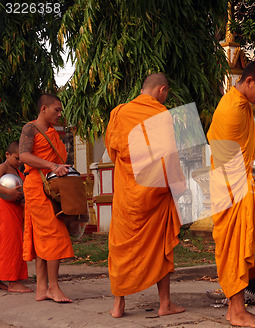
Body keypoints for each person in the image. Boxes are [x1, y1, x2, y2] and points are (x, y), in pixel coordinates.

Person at [105, 73, 185, 318]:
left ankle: (119, 305)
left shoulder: (119, 113)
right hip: (155, 193)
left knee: (120, 248)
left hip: (127, 193)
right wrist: (178, 185)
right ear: (161, 90)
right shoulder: (161, 116)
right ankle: (164, 304)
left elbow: (112, 151)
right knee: (160, 246)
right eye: (166, 94)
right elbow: (169, 155)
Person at [207, 60, 255, 328]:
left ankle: (237, 309)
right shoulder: (234, 108)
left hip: (235, 184)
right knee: (235, 248)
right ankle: (236, 312)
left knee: (238, 247)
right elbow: (228, 157)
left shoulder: (239, 103)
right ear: (248, 82)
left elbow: (238, 142)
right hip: (231, 188)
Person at [20, 94, 73, 302]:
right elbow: (24, 156)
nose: (60, 114)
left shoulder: (53, 133)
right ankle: (53, 286)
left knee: (42, 236)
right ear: (43, 109)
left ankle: (42, 288)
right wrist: (52, 166)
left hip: (52, 186)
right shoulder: (30, 128)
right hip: (36, 185)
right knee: (54, 233)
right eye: (56, 110)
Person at [0, 142, 32, 293]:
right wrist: (9, 192)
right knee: (11, 244)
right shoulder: (3, 167)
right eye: (16, 158)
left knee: (11, 243)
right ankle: (13, 282)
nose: (19, 161)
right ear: (7, 155)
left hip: (16, 210)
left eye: (21, 159)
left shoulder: (18, 171)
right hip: (5, 210)